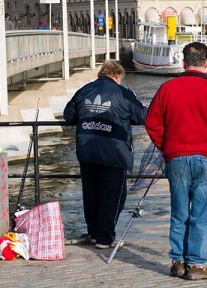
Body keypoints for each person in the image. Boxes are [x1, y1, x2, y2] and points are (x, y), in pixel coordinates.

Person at [145, 42, 207, 280]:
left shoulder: (167, 88)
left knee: (179, 211)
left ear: (183, 62)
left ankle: (178, 261)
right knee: (202, 213)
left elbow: (152, 123)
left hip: (176, 158)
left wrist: (166, 146)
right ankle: (197, 265)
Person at [63, 60, 147, 249]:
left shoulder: (84, 90)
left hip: (87, 150)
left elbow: (69, 115)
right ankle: (105, 238)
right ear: (118, 76)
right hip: (114, 153)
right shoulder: (124, 92)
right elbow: (142, 115)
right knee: (114, 195)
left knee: (91, 193)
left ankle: (93, 233)